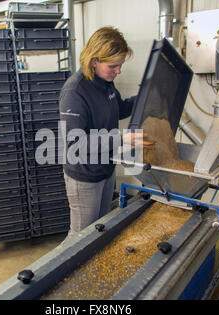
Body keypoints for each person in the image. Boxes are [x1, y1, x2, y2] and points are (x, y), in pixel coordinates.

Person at [58, 26, 154, 237]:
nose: (118, 71)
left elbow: (118, 108)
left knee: (98, 230)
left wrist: (145, 98)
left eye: (120, 65)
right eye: (113, 66)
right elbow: (76, 144)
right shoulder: (75, 91)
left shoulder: (105, 82)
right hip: (84, 177)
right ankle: (74, 271)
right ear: (94, 61)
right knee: (80, 237)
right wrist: (122, 139)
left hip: (105, 169)